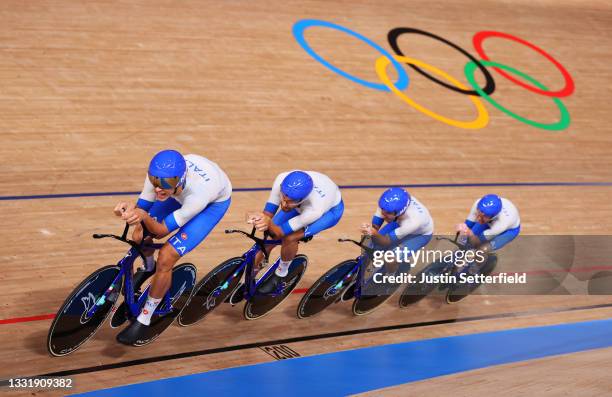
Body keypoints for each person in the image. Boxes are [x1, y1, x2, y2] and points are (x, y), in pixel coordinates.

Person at [113, 149, 232, 345]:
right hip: (179, 193)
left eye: (165, 184)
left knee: (167, 256)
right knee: (139, 235)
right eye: (155, 182)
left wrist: (144, 216)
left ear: (181, 179)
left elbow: (160, 230)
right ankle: (148, 266)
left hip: (212, 204)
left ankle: (145, 316)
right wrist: (130, 212)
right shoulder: (161, 178)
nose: (159, 189)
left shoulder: (199, 194)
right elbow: (142, 212)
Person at [251, 170, 344, 293]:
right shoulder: (281, 179)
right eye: (283, 197)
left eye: (289, 202)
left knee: (290, 238)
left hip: (329, 212)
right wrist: (261, 219)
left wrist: (269, 223)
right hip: (303, 205)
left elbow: (280, 232)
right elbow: (267, 215)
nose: (284, 204)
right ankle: (252, 274)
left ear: (302, 199)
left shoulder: (315, 209)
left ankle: (281, 274)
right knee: (268, 239)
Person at [359, 188, 434, 293]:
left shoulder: (413, 220)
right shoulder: (387, 204)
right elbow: (377, 223)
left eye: (387, 213)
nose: (383, 214)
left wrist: (374, 233)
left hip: (419, 235)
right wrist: (372, 230)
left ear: (399, 212)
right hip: (400, 223)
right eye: (382, 210)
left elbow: (387, 241)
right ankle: (359, 272)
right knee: (371, 244)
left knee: (390, 257)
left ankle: (391, 277)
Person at [456, 193, 521, 254]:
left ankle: (477, 263)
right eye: (478, 213)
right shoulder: (477, 204)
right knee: (466, 241)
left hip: (509, 231)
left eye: (483, 217)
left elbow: (478, 241)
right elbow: (468, 225)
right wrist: (463, 236)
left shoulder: (502, 223)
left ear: (493, 216)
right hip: (490, 222)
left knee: (483, 249)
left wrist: (469, 233)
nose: (478, 218)